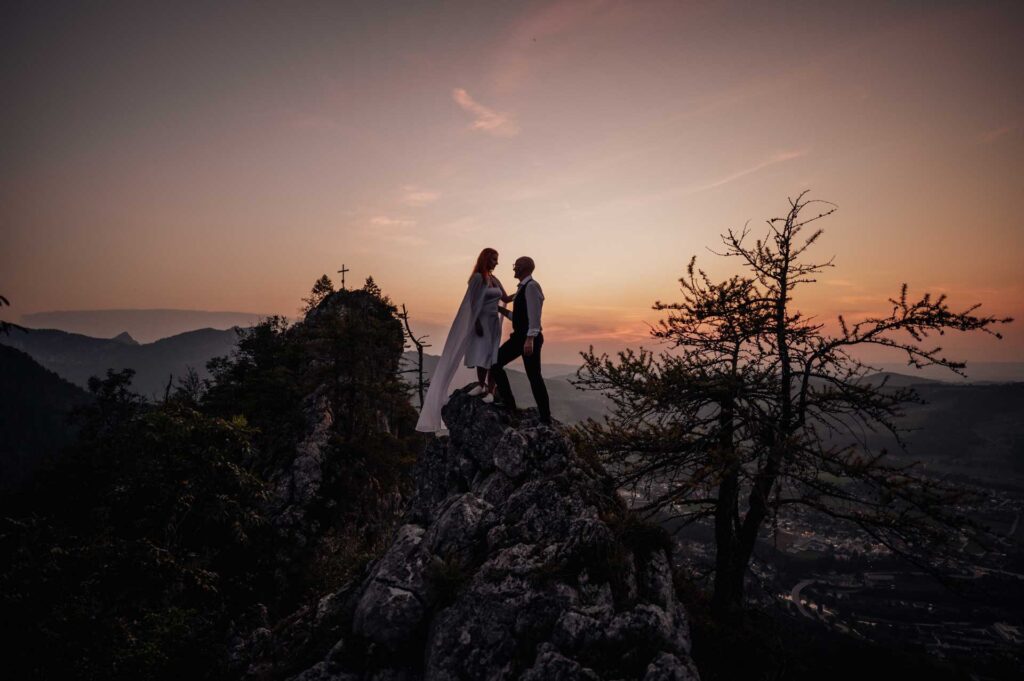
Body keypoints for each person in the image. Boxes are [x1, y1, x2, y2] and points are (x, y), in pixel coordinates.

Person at [415, 248, 507, 434]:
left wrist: (522, 292)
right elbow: (473, 303)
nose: (497, 262)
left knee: (493, 357)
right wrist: (477, 323)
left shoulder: (495, 279)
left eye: (497, 259)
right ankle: (482, 386)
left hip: (494, 323)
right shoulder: (477, 279)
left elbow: (505, 298)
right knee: (482, 356)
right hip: (481, 322)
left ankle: (491, 390)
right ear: (486, 259)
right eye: (494, 259)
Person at [490, 256, 551, 425]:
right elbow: (518, 317)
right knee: (496, 363)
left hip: (527, 338)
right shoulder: (522, 289)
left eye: (516, 265)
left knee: (533, 376)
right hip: (520, 337)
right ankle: (509, 403)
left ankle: (545, 417)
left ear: (524, 268)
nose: (514, 268)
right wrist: (500, 309)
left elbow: (534, 317)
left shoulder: (531, 287)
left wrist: (530, 339)